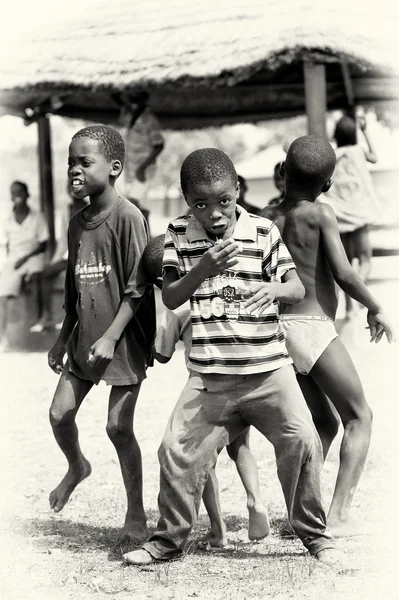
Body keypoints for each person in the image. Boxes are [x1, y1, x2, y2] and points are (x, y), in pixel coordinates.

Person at [124, 147, 343, 568]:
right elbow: (170, 296)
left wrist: (276, 290)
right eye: (200, 204)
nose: (214, 213)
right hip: (210, 379)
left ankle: (315, 536)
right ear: (188, 202)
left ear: (237, 190)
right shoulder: (177, 235)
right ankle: (167, 542)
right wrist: (202, 269)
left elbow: (296, 288)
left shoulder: (263, 231)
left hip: (269, 373)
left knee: (303, 442)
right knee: (174, 451)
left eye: (223, 200)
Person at [261, 135, 395, 537]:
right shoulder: (320, 214)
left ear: (282, 172)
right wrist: (376, 306)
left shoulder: (267, 216)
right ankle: (338, 514)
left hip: (278, 332)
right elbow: (344, 272)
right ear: (328, 184)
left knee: (322, 423)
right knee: (359, 416)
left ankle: (301, 515)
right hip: (312, 329)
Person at [47, 125, 156, 545]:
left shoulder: (129, 218)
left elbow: (138, 287)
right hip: (82, 338)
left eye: (84, 162)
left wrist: (111, 337)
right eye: (70, 162)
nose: (74, 169)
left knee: (117, 427)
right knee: (58, 415)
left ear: (114, 168)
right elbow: (74, 290)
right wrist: (62, 338)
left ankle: (135, 511)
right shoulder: (76, 224)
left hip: (122, 342)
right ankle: (77, 466)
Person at [142, 234, 269, 548]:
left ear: (162, 279)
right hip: (241, 374)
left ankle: (217, 529)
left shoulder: (174, 307)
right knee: (241, 448)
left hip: (207, 387)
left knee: (204, 460)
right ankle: (256, 501)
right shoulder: (218, 287)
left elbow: (162, 353)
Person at [322, 115, 379, 318]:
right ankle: (358, 293)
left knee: (344, 266)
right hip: (360, 211)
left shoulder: (333, 156)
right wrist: (365, 131)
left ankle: (349, 308)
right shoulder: (358, 151)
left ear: (336, 135)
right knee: (365, 260)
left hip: (341, 214)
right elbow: (375, 157)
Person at [30, 187, 87, 333]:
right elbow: (63, 240)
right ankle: (46, 317)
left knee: (74, 276)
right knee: (45, 273)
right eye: (72, 186)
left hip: (86, 255)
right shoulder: (66, 210)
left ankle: (73, 317)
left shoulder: (91, 207)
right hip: (69, 256)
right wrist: (54, 261)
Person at [0, 181, 48, 350]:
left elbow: (43, 245)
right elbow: (6, 245)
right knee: (3, 293)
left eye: (20, 192)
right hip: (14, 259)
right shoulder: (6, 219)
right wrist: (10, 264)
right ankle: (2, 336)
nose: (17, 195)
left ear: (28, 194)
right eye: (14, 192)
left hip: (33, 255)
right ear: (11, 196)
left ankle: (37, 319)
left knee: (36, 276)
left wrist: (25, 258)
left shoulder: (37, 216)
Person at [114, 90, 164, 217]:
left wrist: (142, 168)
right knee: (131, 207)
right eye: (131, 99)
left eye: (136, 99)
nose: (133, 102)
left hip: (142, 171)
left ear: (144, 101)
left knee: (133, 205)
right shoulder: (129, 118)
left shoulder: (149, 120)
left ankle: (142, 235)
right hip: (129, 170)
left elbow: (159, 145)